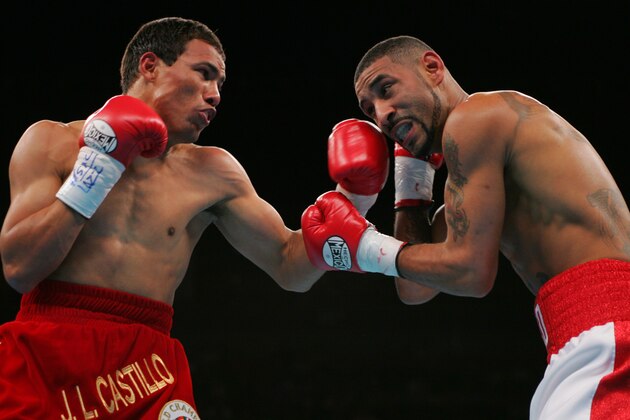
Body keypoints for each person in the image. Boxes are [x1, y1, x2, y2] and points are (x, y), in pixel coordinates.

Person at [0, 16, 393, 418]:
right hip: (49, 352)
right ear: (149, 66)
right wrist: (94, 170)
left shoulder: (214, 171)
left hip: (146, 369)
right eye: (204, 74)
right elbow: (19, 268)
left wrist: (354, 200)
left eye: (220, 84)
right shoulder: (52, 142)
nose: (215, 95)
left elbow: (289, 267)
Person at [301, 35, 630, 419]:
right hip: (581, 336)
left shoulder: (478, 115)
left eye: (386, 89)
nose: (382, 114)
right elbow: (415, 286)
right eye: (370, 108)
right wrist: (411, 185)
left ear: (432, 67)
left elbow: (471, 272)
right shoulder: (471, 183)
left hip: (608, 329)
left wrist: (365, 247)